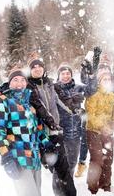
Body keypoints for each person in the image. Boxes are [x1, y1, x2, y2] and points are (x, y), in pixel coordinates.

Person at [0, 68, 53, 196]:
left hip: (35, 159)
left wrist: (47, 145)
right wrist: (7, 157)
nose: (19, 83)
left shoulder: (29, 104)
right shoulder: (3, 101)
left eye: (22, 80)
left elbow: (38, 129)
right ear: (9, 83)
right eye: (15, 80)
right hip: (19, 159)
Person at [27, 55, 77, 196]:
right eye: (34, 67)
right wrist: (50, 121)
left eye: (39, 66)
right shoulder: (29, 87)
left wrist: (75, 108)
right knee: (44, 169)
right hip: (40, 135)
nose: (37, 69)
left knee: (63, 170)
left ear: (44, 68)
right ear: (30, 71)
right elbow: (39, 106)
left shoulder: (50, 84)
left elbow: (63, 100)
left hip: (55, 133)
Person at [54, 64, 97, 178]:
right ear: (58, 76)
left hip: (75, 132)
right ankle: (61, 185)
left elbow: (91, 90)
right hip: (61, 132)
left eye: (68, 73)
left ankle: (69, 182)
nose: (65, 76)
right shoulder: (54, 89)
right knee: (60, 162)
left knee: (72, 162)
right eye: (63, 74)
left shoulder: (78, 87)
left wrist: (92, 76)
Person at [85, 70, 114, 194]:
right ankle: (92, 187)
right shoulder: (93, 95)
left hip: (108, 133)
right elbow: (90, 115)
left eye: (108, 79)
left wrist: (113, 125)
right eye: (104, 79)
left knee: (108, 159)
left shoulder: (112, 96)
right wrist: (103, 127)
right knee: (97, 160)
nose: (107, 81)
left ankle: (105, 185)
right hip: (93, 131)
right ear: (99, 81)